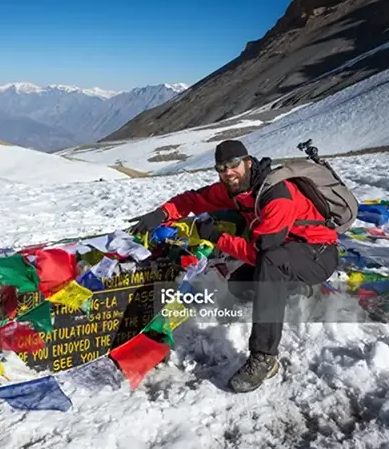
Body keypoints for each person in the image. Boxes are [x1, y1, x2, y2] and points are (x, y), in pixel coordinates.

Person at [128, 140, 339, 393]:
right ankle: (299, 288)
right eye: (221, 168)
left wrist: (217, 237)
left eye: (233, 164)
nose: (227, 172)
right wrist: (160, 214)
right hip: (287, 253)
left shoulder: (276, 195)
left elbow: (258, 254)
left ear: (248, 162)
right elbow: (193, 200)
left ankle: (264, 357)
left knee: (269, 263)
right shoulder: (235, 189)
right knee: (240, 284)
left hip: (317, 254)